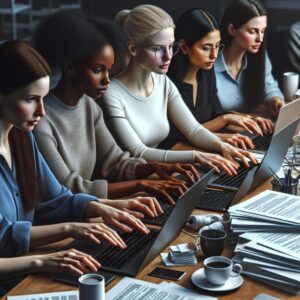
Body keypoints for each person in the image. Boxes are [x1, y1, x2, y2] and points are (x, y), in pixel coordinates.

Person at [0, 40, 156, 293]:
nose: (41, 111)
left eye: (42, 98)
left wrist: (102, 208)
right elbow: (4, 237)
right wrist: (70, 230)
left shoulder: (22, 137)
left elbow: (56, 200)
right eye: (30, 99)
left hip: (26, 277)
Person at [33, 11, 198, 206]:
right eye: (97, 70)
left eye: (109, 70)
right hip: (61, 222)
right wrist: (141, 184)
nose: (106, 79)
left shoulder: (88, 106)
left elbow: (116, 163)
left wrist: (155, 167)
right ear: (70, 68)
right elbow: (71, 189)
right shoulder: (41, 120)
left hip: (89, 211)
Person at [103, 4, 256, 176]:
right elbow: (138, 151)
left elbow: (193, 130)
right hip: (133, 181)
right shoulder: (112, 93)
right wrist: (196, 156)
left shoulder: (162, 81)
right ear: (132, 48)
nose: (168, 56)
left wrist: (223, 146)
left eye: (170, 47)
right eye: (157, 49)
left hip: (162, 173)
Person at [165, 8, 267, 150]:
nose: (214, 55)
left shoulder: (206, 72)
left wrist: (250, 120)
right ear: (183, 46)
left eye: (217, 46)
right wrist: (225, 121)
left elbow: (216, 113)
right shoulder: (167, 83)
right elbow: (178, 138)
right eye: (206, 48)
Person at [215, 0, 285, 122]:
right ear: (232, 29)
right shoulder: (210, 63)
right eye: (252, 31)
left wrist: (275, 99)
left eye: (263, 31)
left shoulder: (260, 56)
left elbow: (270, 87)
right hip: (222, 135)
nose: (260, 39)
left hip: (254, 129)